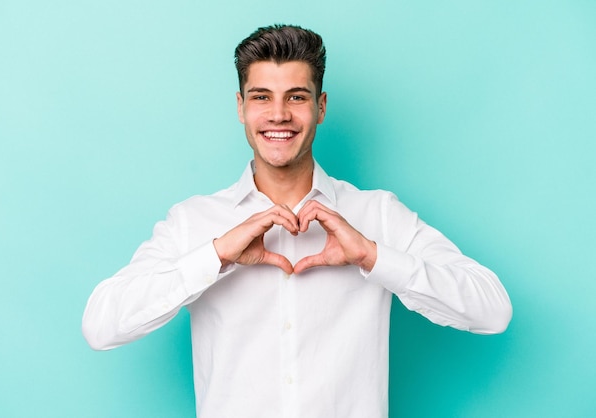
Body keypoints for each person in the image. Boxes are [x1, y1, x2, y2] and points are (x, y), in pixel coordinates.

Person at [82, 24, 512, 418]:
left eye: (297, 97)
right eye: (262, 96)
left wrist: (372, 256)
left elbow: (493, 310)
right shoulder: (194, 221)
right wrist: (216, 256)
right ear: (241, 107)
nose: (279, 115)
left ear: (320, 107)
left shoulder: (377, 214)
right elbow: (101, 326)